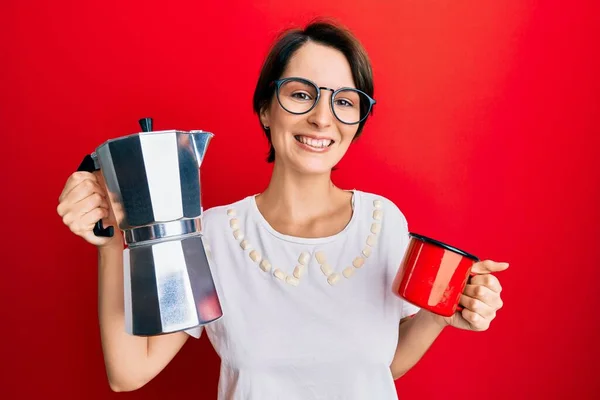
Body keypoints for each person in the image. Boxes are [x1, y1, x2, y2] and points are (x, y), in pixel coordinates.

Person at [56, 20, 508, 400]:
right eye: (300, 93)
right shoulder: (212, 236)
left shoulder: (384, 222)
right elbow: (129, 371)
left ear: (358, 123)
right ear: (265, 109)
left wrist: (437, 315)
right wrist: (110, 243)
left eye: (345, 102)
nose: (322, 117)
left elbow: (376, 370)